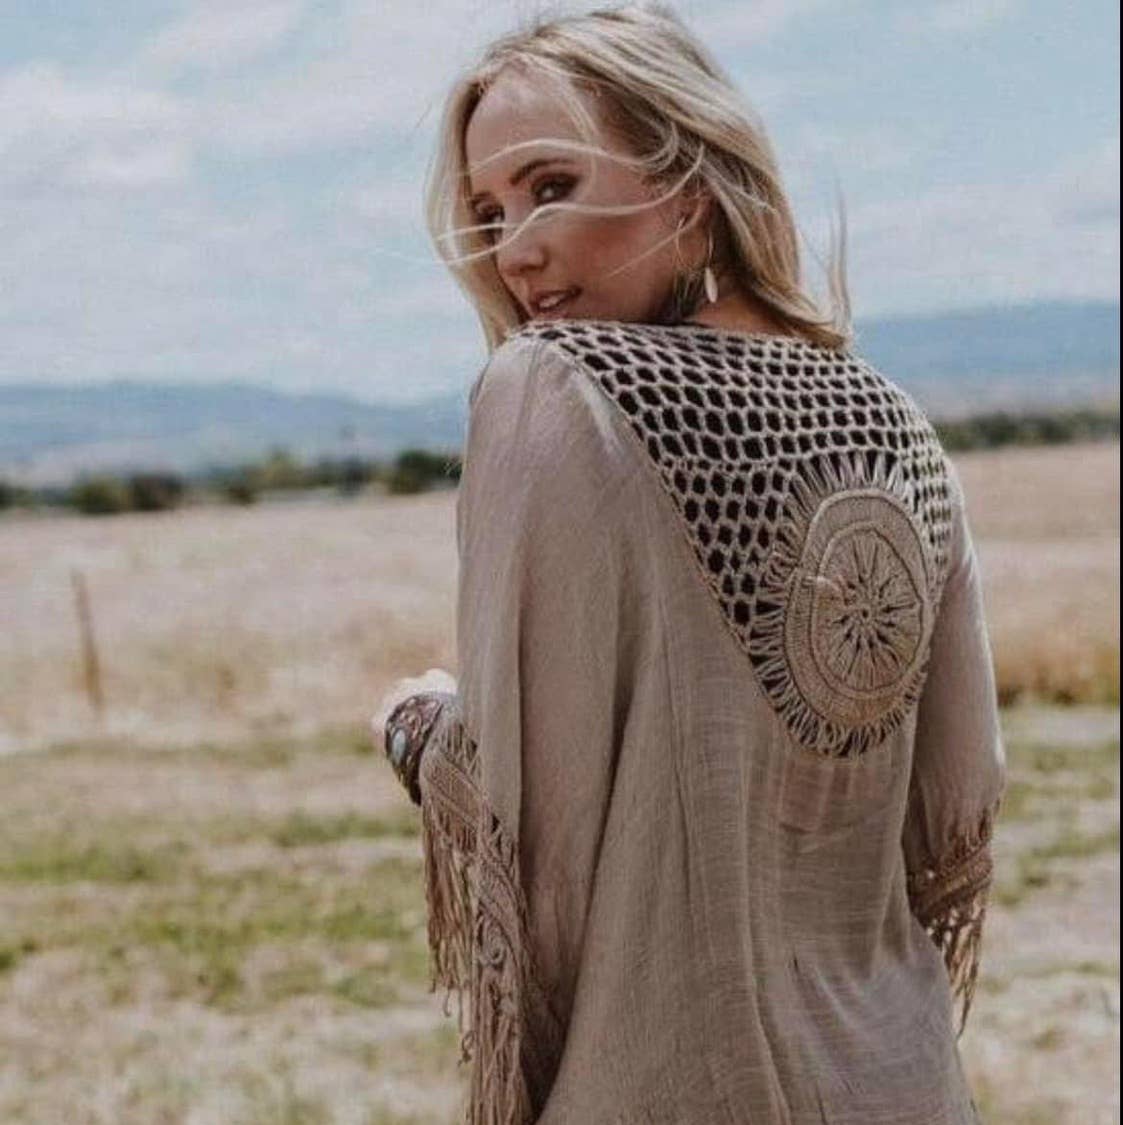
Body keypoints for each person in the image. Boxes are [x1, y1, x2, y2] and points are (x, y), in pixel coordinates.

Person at [374, 5, 1006, 1122]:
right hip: (899, 1072)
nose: (515, 250)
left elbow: (531, 821)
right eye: (490, 212)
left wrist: (418, 727)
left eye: (551, 185)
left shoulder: (554, 387)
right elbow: (956, 800)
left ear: (688, 178)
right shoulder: (898, 421)